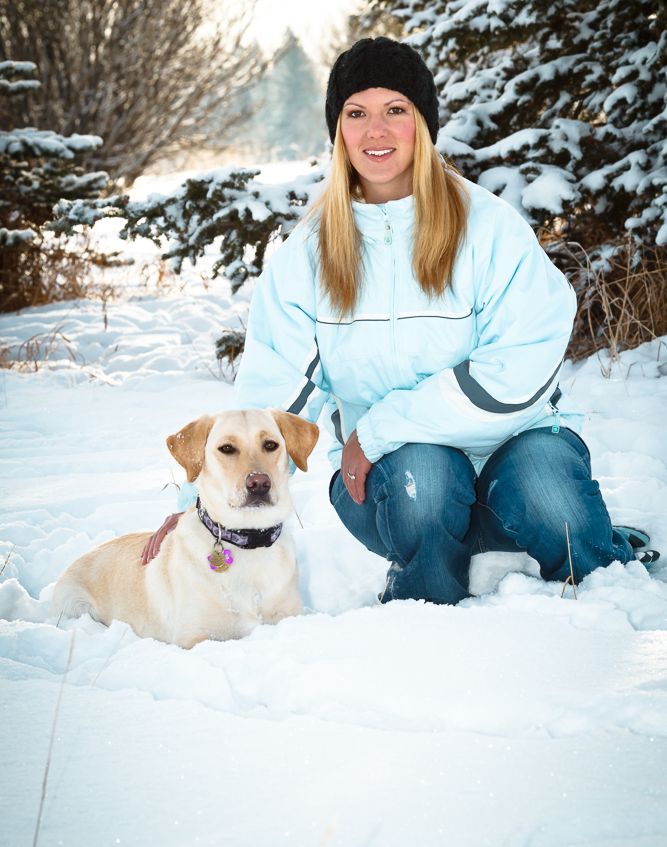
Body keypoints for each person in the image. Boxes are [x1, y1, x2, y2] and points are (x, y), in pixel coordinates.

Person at [142, 37, 658, 595]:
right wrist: (196, 506)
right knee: (425, 483)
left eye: (396, 111)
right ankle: (425, 602)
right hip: (399, 477)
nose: (376, 132)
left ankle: (596, 564)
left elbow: (519, 366)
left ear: (424, 124)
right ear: (339, 131)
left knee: (550, 500)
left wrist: (380, 428)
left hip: (520, 441)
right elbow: (270, 404)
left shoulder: (488, 228)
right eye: (356, 113)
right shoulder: (308, 253)